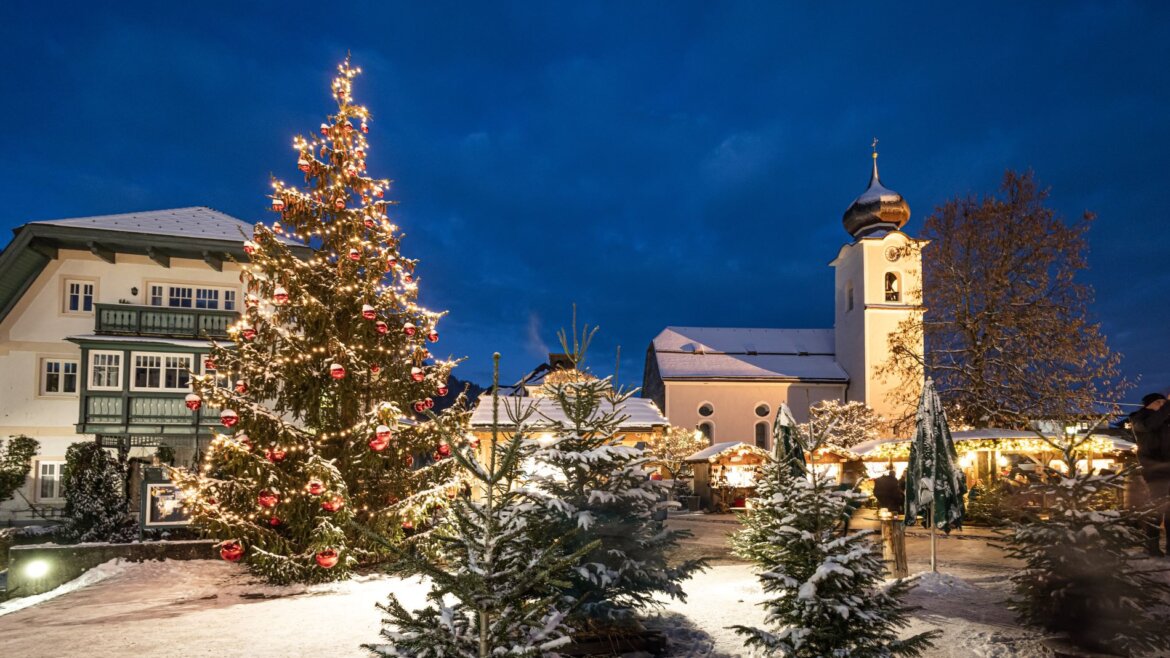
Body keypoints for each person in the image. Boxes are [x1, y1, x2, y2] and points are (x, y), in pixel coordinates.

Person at [1130, 392, 1170, 556]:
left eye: (1163, 402)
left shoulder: (1165, 421)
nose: (1162, 405)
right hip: (1154, 471)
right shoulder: (1140, 418)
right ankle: (1152, 547)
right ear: (1149, 404)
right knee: (1157, 509)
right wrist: (1167, 405)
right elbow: (1150, 425)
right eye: (1159, 402)